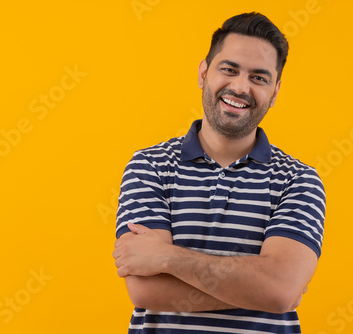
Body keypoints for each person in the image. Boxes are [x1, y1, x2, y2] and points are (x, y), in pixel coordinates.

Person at [113, 12, 326, 334]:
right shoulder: (150, 166)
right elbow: (147, 291)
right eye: (229, 69)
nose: (240, 86)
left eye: (259, 77)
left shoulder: (299, 181)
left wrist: (168, 258)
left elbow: (281, 291)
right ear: (203, 73)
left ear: (275, 92)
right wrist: (265, 289)